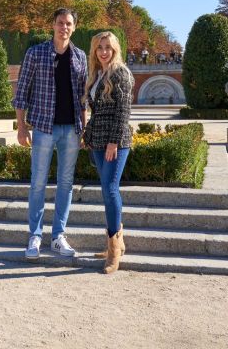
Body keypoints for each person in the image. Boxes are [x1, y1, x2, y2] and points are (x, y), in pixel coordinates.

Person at [13, 8, 88, 258]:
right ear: (52, 26)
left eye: (68, 23)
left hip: (71, 129)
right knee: (38, 183)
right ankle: (35, 235)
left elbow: (83, 97)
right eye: (59, 23)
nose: (63, 27)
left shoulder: (80, 56)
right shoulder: (35, 53)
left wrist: (84, 127)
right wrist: (22, 127)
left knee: (66, 184)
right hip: (44, 127)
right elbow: (22, 91)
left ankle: (58, 236)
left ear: (74, 27)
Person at [82, 31, 134, 274]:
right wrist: (88, 137)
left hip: (116, 141)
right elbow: (95, 111)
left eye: (108, 48)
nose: (104, 52)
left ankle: (114, 249)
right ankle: (117, 241)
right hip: (97, 140)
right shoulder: (97, 73)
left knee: (110, 189)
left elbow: (123, 112)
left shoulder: (121, 73)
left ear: (115, 50)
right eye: (100, 47)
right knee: (105, 190)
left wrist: (113, 142)